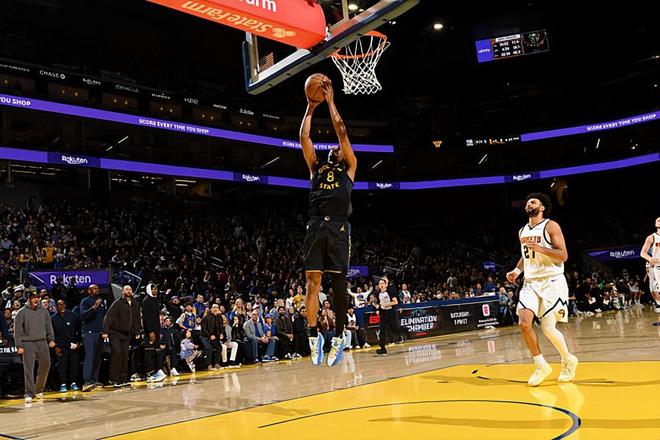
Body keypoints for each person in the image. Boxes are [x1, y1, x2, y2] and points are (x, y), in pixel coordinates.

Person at [299, 77, 357, 367]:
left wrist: (331, 101)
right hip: (315, 226)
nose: (336, 147)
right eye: (334, 146)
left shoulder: (349, 168)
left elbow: (342, 131)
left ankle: (339, 335)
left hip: (338, 227)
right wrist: (310, 108)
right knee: (312, 282)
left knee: (338, 284)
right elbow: (304, 138)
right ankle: (313, 336)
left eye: (339, 147)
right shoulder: (316, 167)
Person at [506, 193, 578, 386]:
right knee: (524, 323)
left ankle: (568, 359)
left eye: (533, 202)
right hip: (530, 282)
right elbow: (526, 256)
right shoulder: (522, 231)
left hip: (551, 281)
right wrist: (516, 271)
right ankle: (540, 365)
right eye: (527, 202)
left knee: (547, 328)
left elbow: (563, 255)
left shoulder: (551, 226)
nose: (529, 204)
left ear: (542, 207)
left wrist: (541, 249)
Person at [14, 291, 56, 403]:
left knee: (46, 364)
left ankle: (38, 389)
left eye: (37, 297)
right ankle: (29, 392)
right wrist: (19, 345)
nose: (36, 299)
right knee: (29, 368)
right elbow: (17, 330)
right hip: (28, 343)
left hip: (42, 341)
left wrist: (51, 339)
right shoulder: (21, 312)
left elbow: (49, 326)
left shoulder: (44, 311)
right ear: (29, 299)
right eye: (34, 298)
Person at [102, 285, 142, 387]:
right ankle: (114, 379)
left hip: (127, 334)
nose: (129, 291)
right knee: (117, 354)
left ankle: (123, 379)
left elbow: (137, 319)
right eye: (126, 289)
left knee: (125, 356)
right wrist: (105, 331)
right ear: (123, 291)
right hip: (115, 332)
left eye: (130, 289)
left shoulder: (134, 304)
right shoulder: (117, 303)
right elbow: (109, 317)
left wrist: (137, 331)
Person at [79, 284, 106, 391]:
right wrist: (94, 308)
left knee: (97, 358)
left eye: (98, 288)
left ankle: (94, 380)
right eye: (94, 289)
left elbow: (104, 317)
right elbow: (83, 316)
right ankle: (86, 382)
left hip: (99, 333)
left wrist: (104, 330)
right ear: (89, 291)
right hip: (88, 333)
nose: (97, 290)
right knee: (89, 357)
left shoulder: (101, 302)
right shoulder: (85, 301)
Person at [51, 300, 81, 392]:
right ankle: (63, 384)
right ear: (56, 307)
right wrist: (56, 347)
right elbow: (52, 334)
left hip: (73, 345)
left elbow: (79, 329)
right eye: (59, 305)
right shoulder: (53, 319)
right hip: (60, 346)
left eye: (63, 304)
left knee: (74, 365)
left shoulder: (73, 315)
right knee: (62, 366)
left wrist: (78, 342)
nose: (62, 306)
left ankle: (73, 383)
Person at [640, 217, 660, 312]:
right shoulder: (651, 237)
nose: (659, 221)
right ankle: (659, 303)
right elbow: (643, 253)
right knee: (653, 288)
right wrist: (651, 259)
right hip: (657, 266)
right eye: (658, 220)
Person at [374, 277, 398, 355]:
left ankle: (400, 335)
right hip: (383, 313)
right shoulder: (378, 293)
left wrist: (386, 304)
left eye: (382, 283)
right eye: (380, 283)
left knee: (394, 328)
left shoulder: (390, 292)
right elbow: (379, 303)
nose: (381, 285)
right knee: (382, 330)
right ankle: (382, 348)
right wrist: (378, 308)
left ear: (385, 285)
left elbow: (395, 302)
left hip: (390, 312)